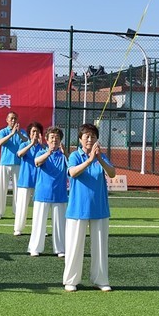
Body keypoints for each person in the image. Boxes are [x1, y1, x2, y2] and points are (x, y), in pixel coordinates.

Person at [63, 123, 116, 292]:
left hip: (99, 208)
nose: (90, 139)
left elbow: (112, 173)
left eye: (93, 136)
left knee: (100, 247)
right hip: (78, 208)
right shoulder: (74, 156)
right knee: (74, 246)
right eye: (86, 136)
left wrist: (98, 158)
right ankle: (71, 280)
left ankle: (100, 280)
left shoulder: (102, 156)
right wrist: (89, 160)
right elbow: (72, 172)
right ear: (80, 139)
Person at [29, 127, 68, 257]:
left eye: (57, 138)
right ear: (46, 140)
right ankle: (35, 248)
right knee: (39, 223)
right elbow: (37, 162)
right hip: (42, 194)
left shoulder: (64, 156)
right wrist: (49, 153)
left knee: (60, 224)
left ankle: (60, 249)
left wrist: (65, 153)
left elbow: (72, 166)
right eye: (52, 137)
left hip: (60, 194)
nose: (54, 140)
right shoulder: (41, 152)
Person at [13, 122, 45, 236]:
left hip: (39, 181)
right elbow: (19, 154)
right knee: (22, 206)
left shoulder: (43, 147)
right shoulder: (24, 144)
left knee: (40, 207)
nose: (35, 134)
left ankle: (40, 230)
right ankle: (18, 228)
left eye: (38, 131)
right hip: (25, 181)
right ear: (29, 134)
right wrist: (31, 144)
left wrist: (41, 145)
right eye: (33, 131)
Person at [0, 111, 23, 220]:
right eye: (11, 118)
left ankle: (17, 211)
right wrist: (11, 134)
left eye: (15, 118)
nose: (13, 120)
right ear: (7, 120)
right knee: (2, 188)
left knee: (17, 189)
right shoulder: (3, 131)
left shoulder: (21, 132)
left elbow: (27, 141)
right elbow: (0, 142)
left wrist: (18, 133)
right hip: (4, 163)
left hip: (18, 163)